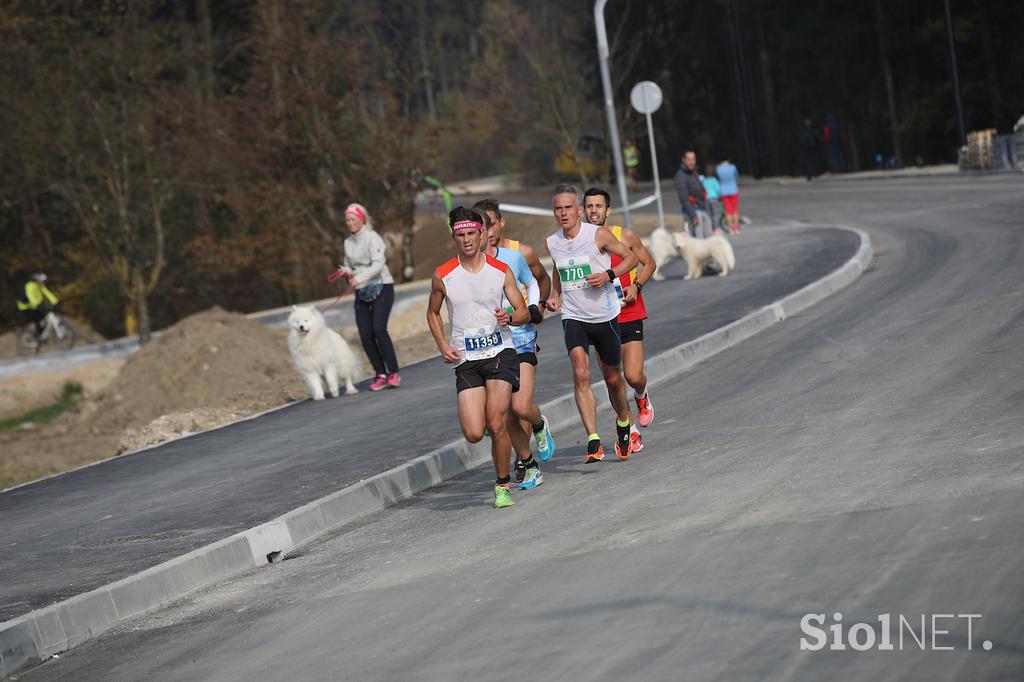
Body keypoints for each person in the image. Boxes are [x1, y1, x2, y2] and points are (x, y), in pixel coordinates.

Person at [426, 207, 532, 509]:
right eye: (460, 235)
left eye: (472, 233)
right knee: (474, 432)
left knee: (496, 422)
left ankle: (501, 485)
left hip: (500, 351)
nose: (467, 240)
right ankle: (514, 451)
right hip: (466, 358)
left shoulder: (500, 271)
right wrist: (442, 344)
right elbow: (432, 313)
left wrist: (509, 317)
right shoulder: (443, 275)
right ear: (453, 236)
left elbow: (523, 311)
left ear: (482, 233)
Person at [544, 184, 639, 463]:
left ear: (579, 210)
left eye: (568, 207)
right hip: (573, 316)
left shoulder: (597, 234)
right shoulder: (553, 242)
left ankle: (623, 422)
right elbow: (558, 267)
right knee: (581, 373)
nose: (563, 213)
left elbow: (631, 258)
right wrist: (555, 293)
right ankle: (593, 439)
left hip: (604, 316)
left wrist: (609, 275)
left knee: (612, 378)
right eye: (558, 208)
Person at [472, 199, 556, 485]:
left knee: (520, 408)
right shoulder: (467, 268)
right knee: (503, 413)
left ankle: (538, 424)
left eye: (485, 228)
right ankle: (528, 464)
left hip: (520, 339)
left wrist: (535, 308)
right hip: (491, 346)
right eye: (475, 230)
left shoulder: (514, 257)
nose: (483, 235)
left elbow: (533, 281)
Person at [582, 188, 657, 454]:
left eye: (598, 206)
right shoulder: (579, 241)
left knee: (633, 375)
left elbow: (649, 263)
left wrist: (636, 285)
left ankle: (641, 394)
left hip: (629, 312)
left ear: (608, 210)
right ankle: (631, 430)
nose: (594, 211)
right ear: (583, 210)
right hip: (600, 318)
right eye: (589, 206)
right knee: (613, 380)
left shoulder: (623, 236)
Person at [340, 203, 400, 391]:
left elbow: (378, 264)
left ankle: (393, 372)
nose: (350, 223)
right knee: (365, 334)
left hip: (382, 285)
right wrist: (347, 272)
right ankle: (380, 373)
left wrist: (359, 277)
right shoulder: (347, 243)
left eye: (353, 219)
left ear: (362, 219)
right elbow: (350, 265)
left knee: (378, 329)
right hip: (362, 290)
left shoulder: (373, 238)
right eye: (347, 220)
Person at [673, 150, 712, 238]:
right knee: (699, 241)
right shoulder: (680, 176)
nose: (692, 162)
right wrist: (693, 214)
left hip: (702, 209)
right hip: (693, 212)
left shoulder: (694, 172)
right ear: (684, 160)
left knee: (709, 239)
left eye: (693, 159)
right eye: (689, 160)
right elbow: (684, 198)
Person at [17, 272, 59, 342]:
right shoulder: (30, 286)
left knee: (44, 319)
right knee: (38, 319)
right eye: (42, 281)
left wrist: (56, 301)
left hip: (35, 306)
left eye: (44, 281)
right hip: (25, 307)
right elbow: (31, 297)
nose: (43, 282)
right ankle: (37, 336)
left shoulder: (41, 286)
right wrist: (38, 304)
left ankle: (41, 336)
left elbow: (48, 293)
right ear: (36, 280)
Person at [715, 158, 741, 234]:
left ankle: (731, 228)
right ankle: (736, 228)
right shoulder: (733, 167)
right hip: (733, 190)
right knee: (735, 210)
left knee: (728, 211)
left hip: (723, 191)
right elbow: (737, 177)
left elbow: (718, 179)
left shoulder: (718, 168)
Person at [701, 164, 724, 233]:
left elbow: (702, 190)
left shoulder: (704, 181)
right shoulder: (714, 180)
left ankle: (710, 227)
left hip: (706, 199)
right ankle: (716, 228)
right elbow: (718, 189)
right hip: (714, 198)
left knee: (709, 214)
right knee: (716, 214)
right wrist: (720, 196)